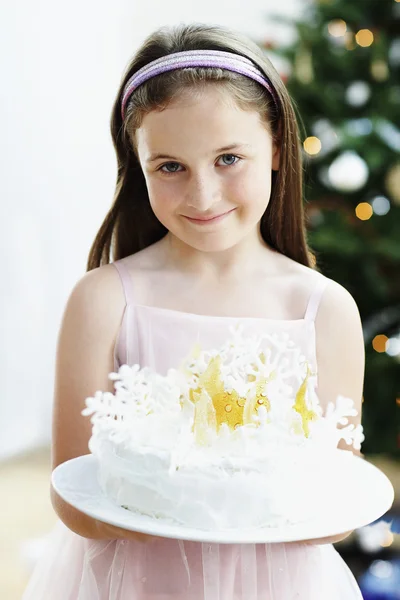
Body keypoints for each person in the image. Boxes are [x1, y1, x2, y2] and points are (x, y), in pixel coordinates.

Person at [22, 22, 366, 600]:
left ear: (278, 147)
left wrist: (244, 502)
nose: (203, 195)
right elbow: (72, 493)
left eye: (229, 158)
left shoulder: (323, 310)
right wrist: (167, 508)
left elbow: (338, 501)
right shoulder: (104, 300)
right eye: (170, 166)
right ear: (139, 165)